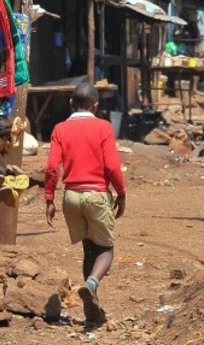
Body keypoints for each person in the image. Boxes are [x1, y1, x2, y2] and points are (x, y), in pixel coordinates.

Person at [44, 83, 126, 327]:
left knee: (88, 249)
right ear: (96, 105)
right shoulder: (103, 127)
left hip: (71, 197)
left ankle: (93, 311)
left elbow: (50, 168)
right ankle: (91, 285)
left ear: (71, 103)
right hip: (96, 195)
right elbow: (111, 166)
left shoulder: (60, 128)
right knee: (106, 250)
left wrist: (49, 199)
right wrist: (121, 193)